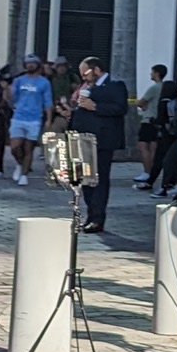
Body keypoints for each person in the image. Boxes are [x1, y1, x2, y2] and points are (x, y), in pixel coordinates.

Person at [68, 56, 129, 232]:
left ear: (96, 70)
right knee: (85, 180)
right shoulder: (87, 86)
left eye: (85, 73)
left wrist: (95, 107)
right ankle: (89, 215)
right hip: (84, 138)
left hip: (102, 140)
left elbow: (120, 108)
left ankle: (98, 217)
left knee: (99, 180)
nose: (83, 78)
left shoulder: (115, 85)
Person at [7, 54, 52, 185]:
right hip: (18, 116)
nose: (30, 65)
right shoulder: (19, 80)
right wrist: (7, 91)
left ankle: (24, 175)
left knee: (28, 148)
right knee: (14, 147)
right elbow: (12, 98)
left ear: (38, 65)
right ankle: (20, 165)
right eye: (28, 63)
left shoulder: (44, 82)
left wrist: (48, 119)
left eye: (33, 63)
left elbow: (47, 102)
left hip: (34, 119)